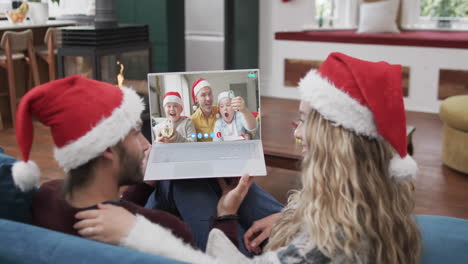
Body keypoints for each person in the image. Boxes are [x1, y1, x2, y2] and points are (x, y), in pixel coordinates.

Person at [75, 52, 422, 263]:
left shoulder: (329, 244)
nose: (296, 132)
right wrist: (293, 217)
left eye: (302, 121)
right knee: (199, 177)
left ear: (336, 142)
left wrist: (223, 217)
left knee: (186, 183)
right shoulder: (371, 198)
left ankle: (151, 195)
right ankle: (157, 190)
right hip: (287, 231)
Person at [10, 76, 243, 251]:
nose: (145, 144)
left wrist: (146, 183)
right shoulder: (164, 230)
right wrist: (226, 216)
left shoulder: (46, 196)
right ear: (108, 149)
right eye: (136, 134)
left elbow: (107, 207)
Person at [145, 77, 284, 254]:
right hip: (204, 168)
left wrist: (227, 214)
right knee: (191, 181)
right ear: (196, 99)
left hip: (216, 169)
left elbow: (247, 124)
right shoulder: (193, 120)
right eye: (203, 95)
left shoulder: (221, 110)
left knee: (182, 182)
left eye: (210, 94)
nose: (208, 98)